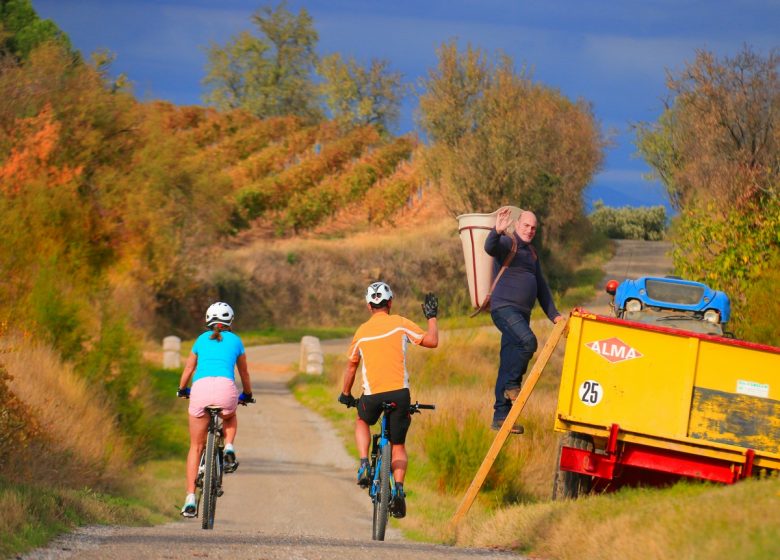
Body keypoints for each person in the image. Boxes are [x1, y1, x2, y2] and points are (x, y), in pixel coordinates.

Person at [337, 281, 438, 519]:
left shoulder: (361, 331)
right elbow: (432, 342)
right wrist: (432, 317)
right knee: (398, 445)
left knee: (362, 420)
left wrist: (345, 394)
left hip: (371, 396)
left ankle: (364, 463)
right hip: (399, 395)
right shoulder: (400, 323)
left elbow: (352, 366)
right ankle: (400, 490)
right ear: (390, 303)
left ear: (368, 306)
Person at [484, 209, 563, 434]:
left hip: (521, 314)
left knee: (508, 361)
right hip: (504, 309)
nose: (529, 230)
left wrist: (554, 315)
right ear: (517, 225)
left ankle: (501, 416)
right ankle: (512, 386)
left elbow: (541, 287)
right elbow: (490, 248)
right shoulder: (508, 243)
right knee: (528, 342)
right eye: (526, 225)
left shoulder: (532, 253)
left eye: (533, 228)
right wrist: (496, 232)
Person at [176, 301, 253, 517]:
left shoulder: (200, 340)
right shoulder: (236, 341)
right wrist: (247, 394)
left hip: (200, 390)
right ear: (230, 322)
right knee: (229, 416)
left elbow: (189, 369)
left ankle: (190, 498)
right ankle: (228, 446)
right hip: (225, 389)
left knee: (195, 446)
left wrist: (182, 389)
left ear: (208, 320)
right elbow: (244, 374)